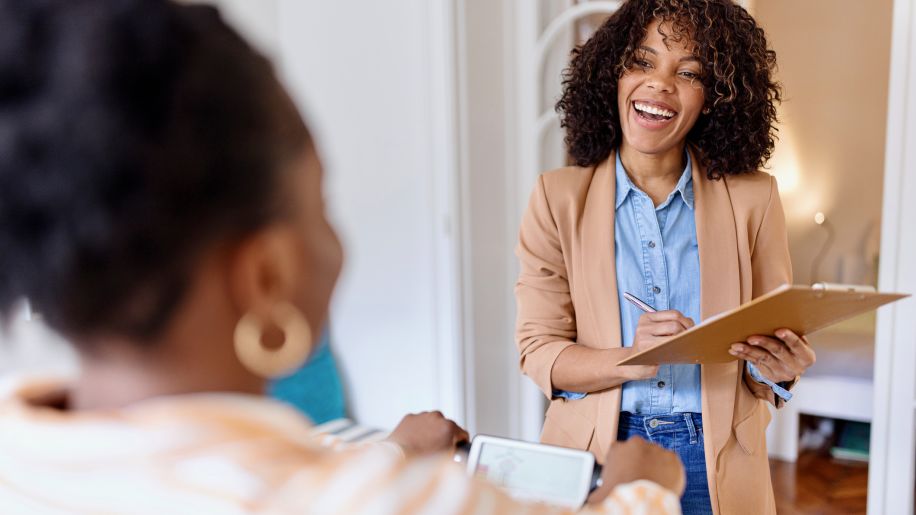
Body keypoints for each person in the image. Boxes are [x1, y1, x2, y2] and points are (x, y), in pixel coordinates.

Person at [0, 0, 685, 513]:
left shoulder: (19, 453)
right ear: (265, 273)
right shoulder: (396, 500)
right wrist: (645, 486)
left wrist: (385, 452)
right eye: (320, 205)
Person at [514, 1, 817, 514]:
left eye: (689, 72)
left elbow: (767, 349)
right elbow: (539, 353)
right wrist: (633, 361)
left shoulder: (754, 199)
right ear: (613, 74)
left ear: (714, 98)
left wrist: (781, 370)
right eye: (643, 60)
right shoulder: (555, 198)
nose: (659, 84)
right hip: (596, 455)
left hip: (717, 455)